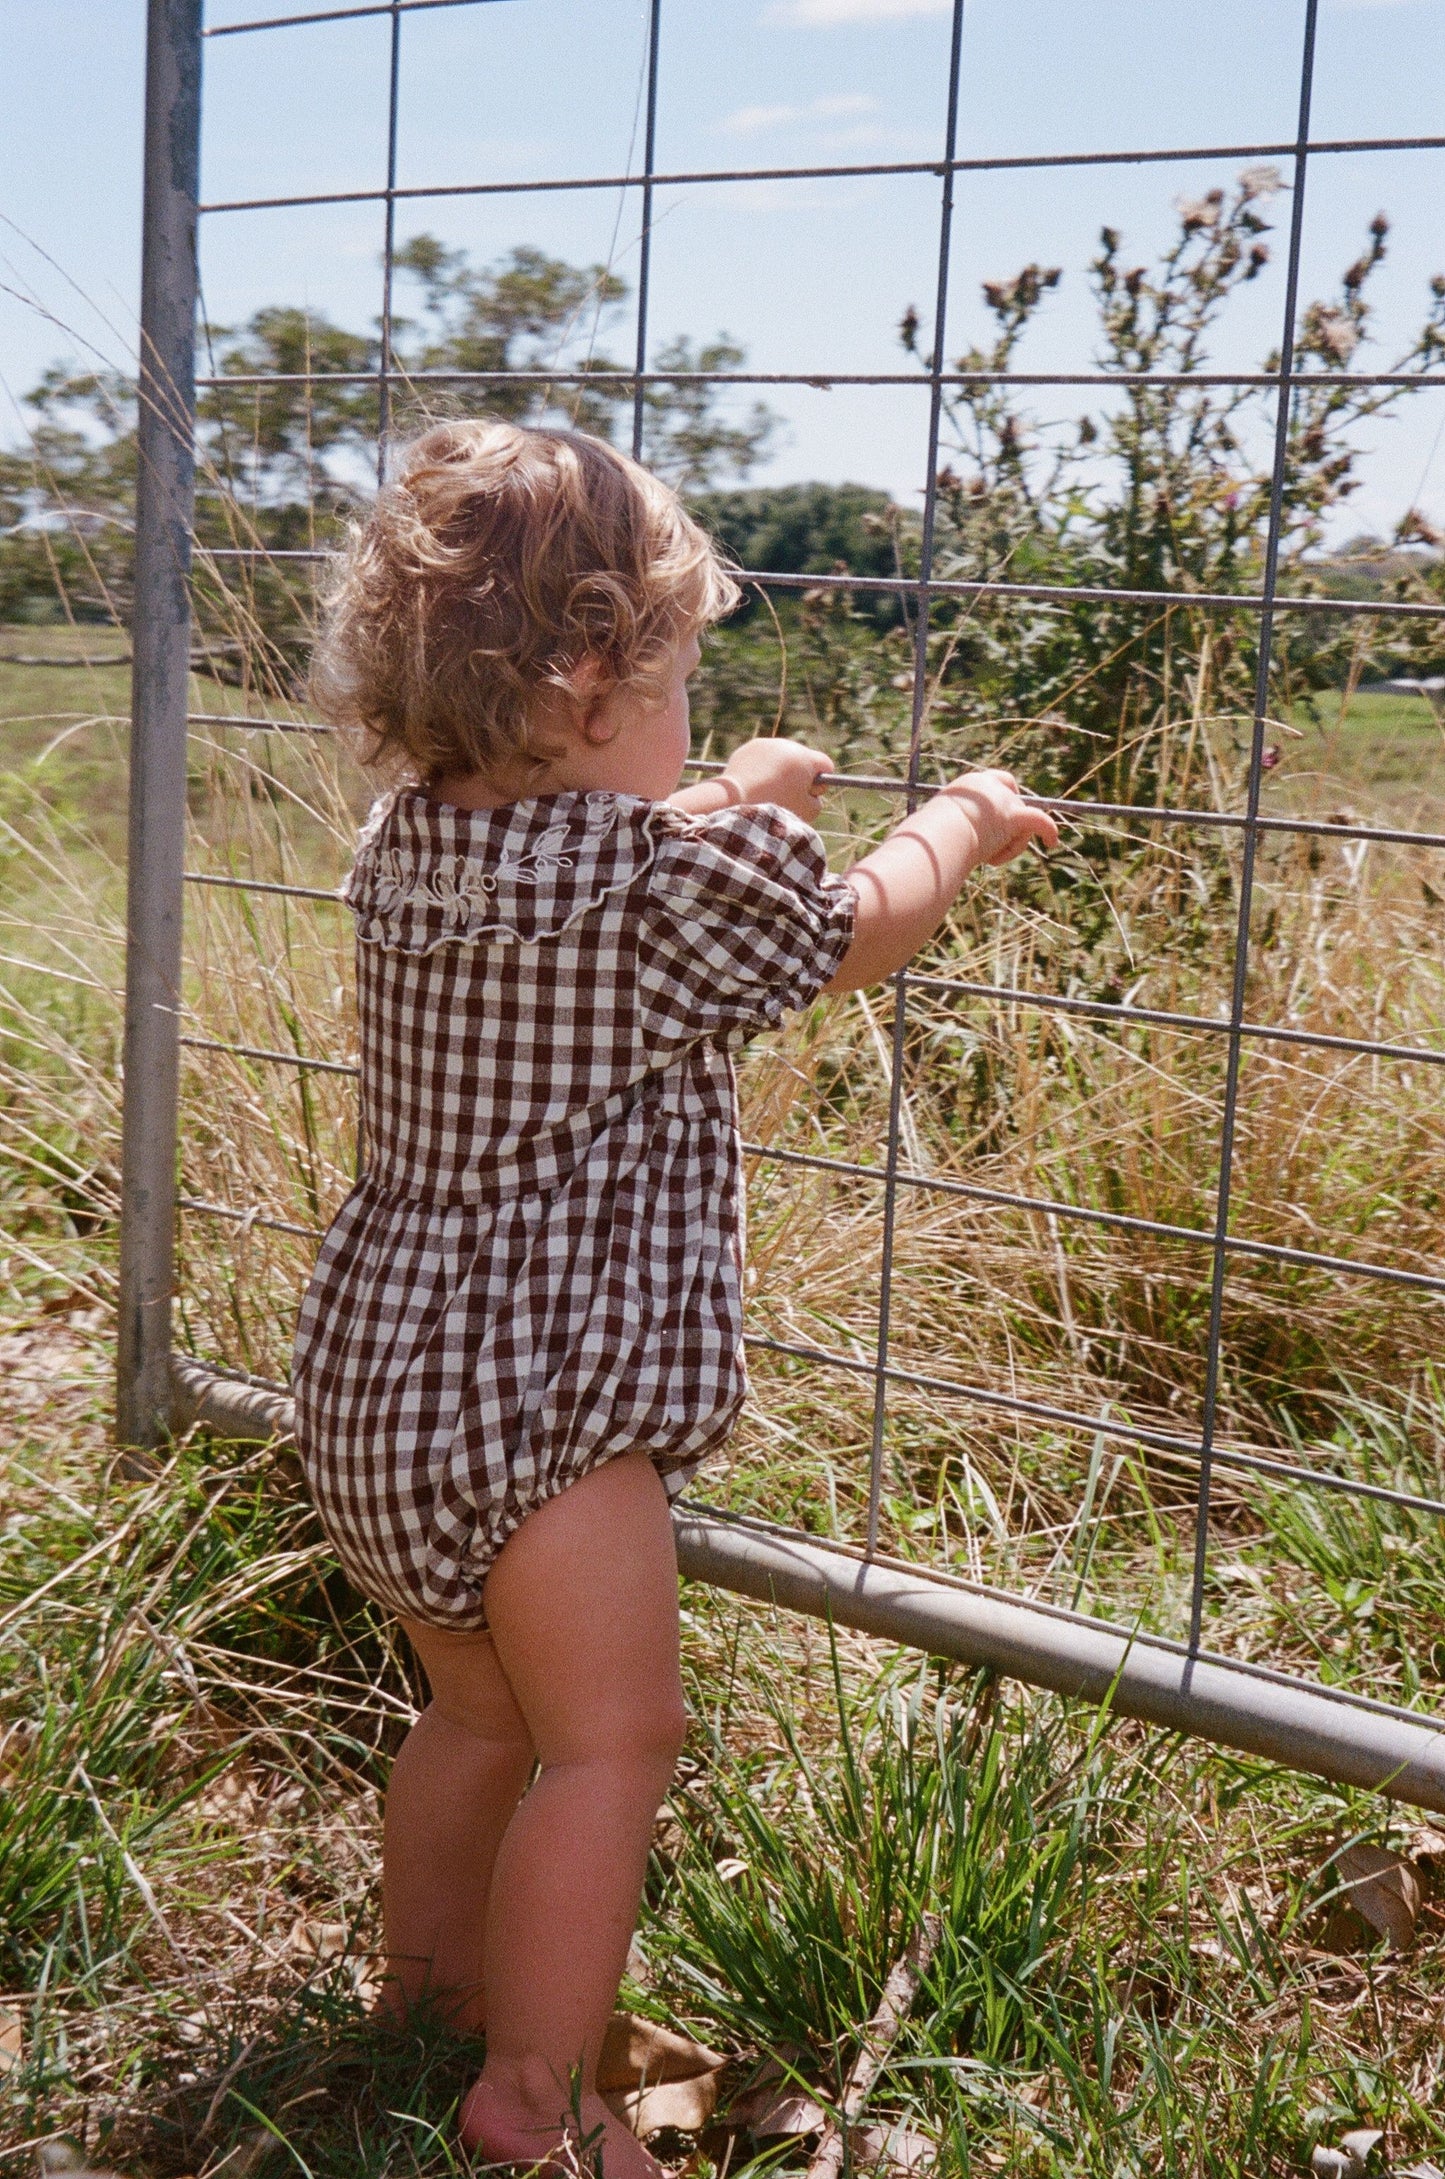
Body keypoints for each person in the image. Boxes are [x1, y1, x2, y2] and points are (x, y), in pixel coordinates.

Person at [291, 417, 1058, 2175]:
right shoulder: (661, 887)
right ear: (586, 676)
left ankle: (427, 2009)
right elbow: (846, 928)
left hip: (378, 1376)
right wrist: (957, 820)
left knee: (478, 1715)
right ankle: (536, 2097)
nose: (693, 718)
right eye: (681, 681)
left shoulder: (414, 844)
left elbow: (613, 859)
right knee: (612, 1749)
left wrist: (732, 802)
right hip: (548, 1407)